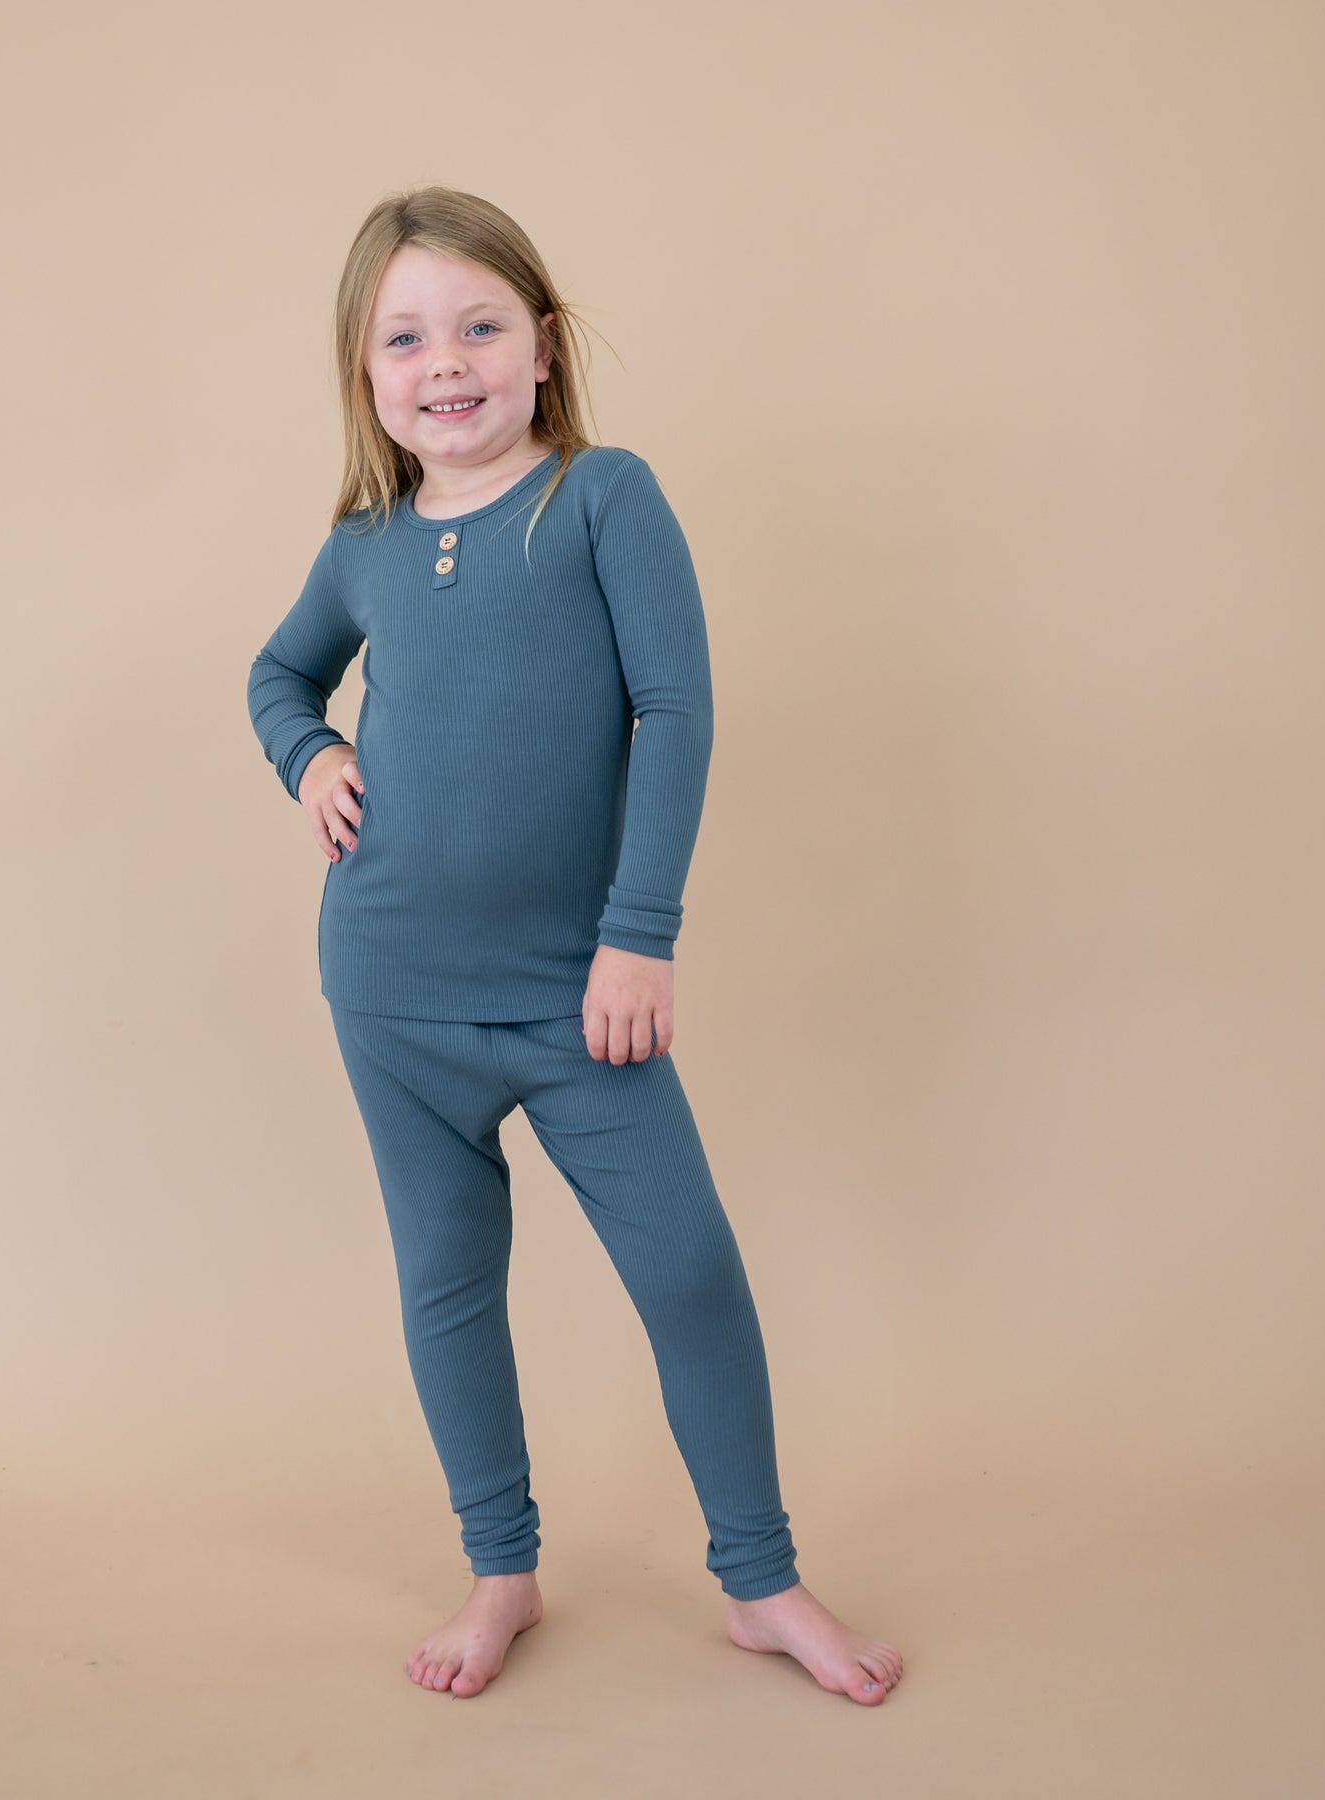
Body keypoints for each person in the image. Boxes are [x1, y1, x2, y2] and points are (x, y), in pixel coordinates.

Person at [246, 184, 905, 1705]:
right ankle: (502, 1573)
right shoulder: (363, 545)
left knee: (689, 1274)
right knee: (449, 1289)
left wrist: (638, 938)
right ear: (365, 373)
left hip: (578, 995)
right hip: (391, 993)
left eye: (480, 326)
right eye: (404, 338)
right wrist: (310, 754)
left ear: (543, 346)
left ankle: (762, 1582)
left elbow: (675, 712)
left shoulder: (602, 500)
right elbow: (280, 677)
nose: (446, 362)